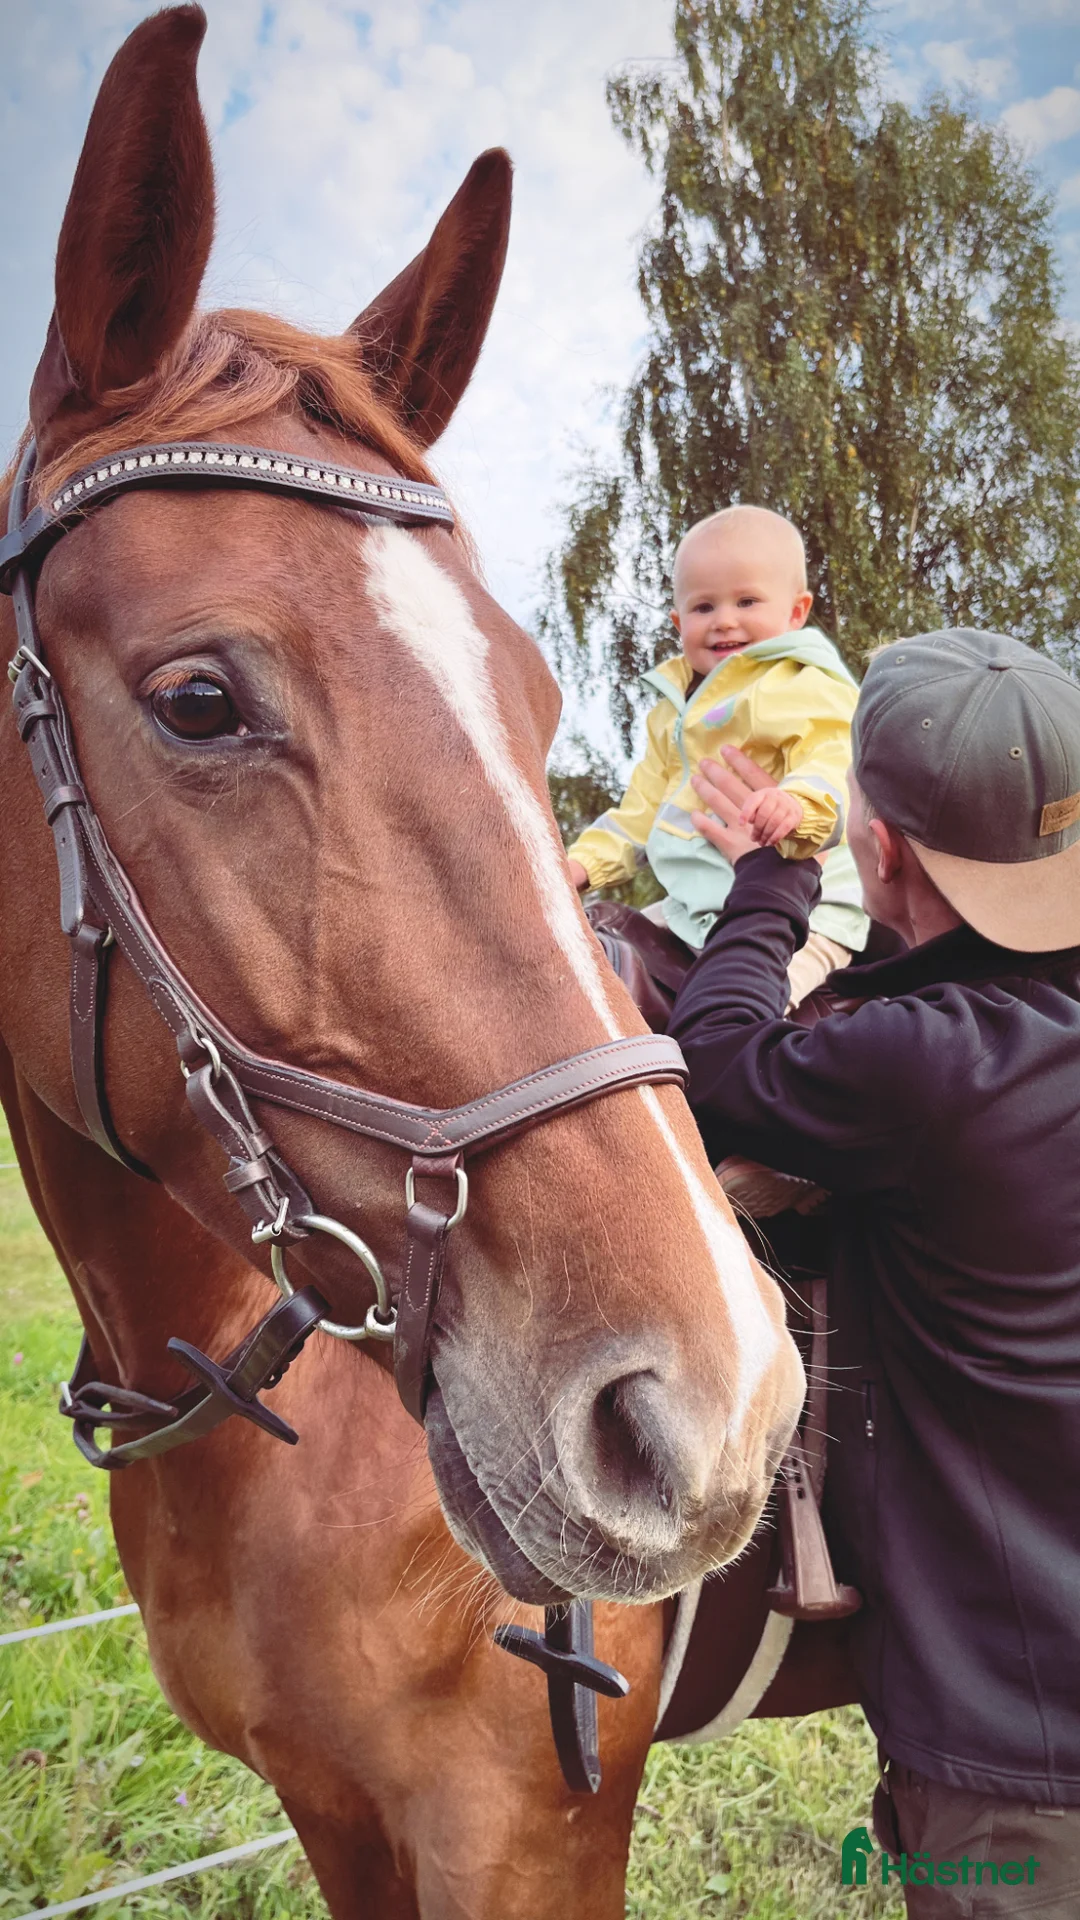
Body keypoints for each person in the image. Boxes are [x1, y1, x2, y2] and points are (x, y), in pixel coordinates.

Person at [669, 627, 1080, 1918]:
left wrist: (769, 882)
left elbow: (716, 1062)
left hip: (1020, 1759)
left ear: (881, 847)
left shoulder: (932, 1063)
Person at [566, 505, 868, 1005]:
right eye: (704, 607)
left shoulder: (801, 682)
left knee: (751, 1007)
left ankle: (765, 1031)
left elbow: (834, 759)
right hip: (694, 908)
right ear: (678, 621)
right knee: (585, 964)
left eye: (747, 601)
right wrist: (577, 867)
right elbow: (640, 814)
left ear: (796, 612)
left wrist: (798, 805)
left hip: (806, 911)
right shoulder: (673, 715)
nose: (724, 621)